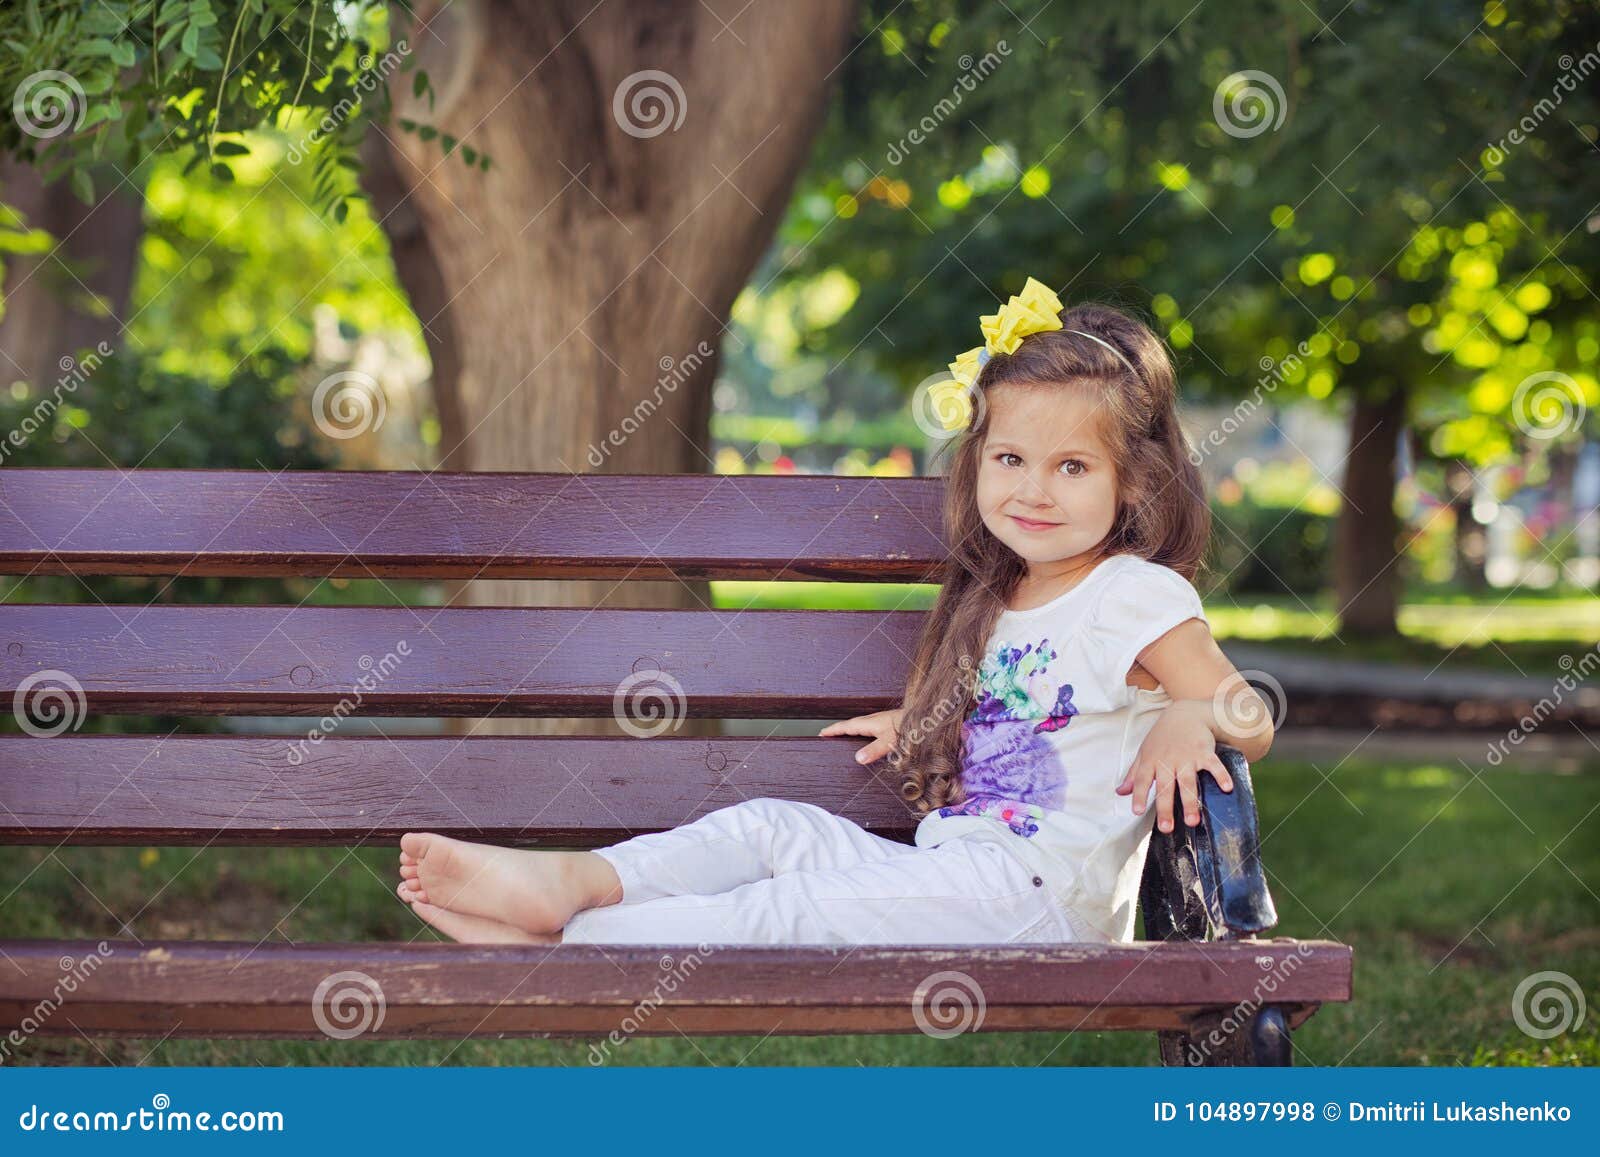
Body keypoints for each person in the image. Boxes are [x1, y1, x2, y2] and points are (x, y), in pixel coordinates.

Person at [394, 277, 1274, 946]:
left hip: (1039, 903)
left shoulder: (1131, 590)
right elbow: (1041, 708)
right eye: (1010, 457)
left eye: (1072, 467)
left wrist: (1191, 718)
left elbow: (1252, 711)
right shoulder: (1006, 593)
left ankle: (572, 943)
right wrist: (930, 715)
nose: (1034, 490)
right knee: (772, 826)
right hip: (959, 872)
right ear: (977, 462)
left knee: (796, 907)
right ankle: (574, 887)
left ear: (1134, 481)